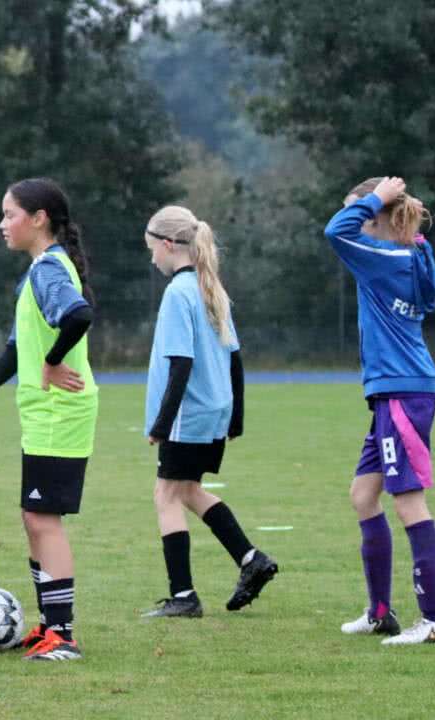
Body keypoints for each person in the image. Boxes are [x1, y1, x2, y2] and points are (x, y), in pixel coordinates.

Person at [0, 178, 96, 661]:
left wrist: (55, 362)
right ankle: (49, 626)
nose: (2, 224)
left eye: (9, 214)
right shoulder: (37, 271)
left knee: (44, 519)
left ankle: (63, 634)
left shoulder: (49, 269)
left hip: (61, 414)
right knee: (33, 517)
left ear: (38, 218)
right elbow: (20, 348)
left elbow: (78, 315)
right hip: (45, 416)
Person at [136, 205, 277, 619]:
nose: (151, 259)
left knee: (166, 494)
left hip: (188, 413)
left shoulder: (178, 292)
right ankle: (251, 559)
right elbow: (234, 359)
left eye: (151, 249)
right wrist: (236, 417)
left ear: (167, 245)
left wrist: (160, 425)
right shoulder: (208, 285)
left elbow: (181, 364)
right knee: (188, 491)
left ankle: (184, 596)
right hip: (214, 411)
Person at [326, 176, 435, 645]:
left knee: (409, 500)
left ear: (376, 217)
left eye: (361, 211)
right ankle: (380, 613)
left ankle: (433, 620)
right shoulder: (412, 255)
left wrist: (371, 200)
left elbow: (336, 232)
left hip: (401, 394)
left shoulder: (383, 258)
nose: (354, 216)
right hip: (399, 393)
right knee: (362, 496)